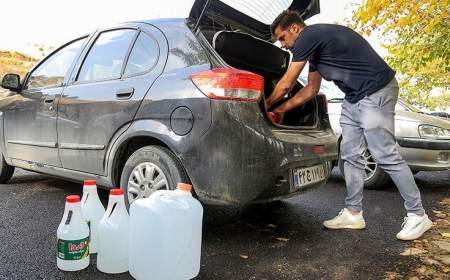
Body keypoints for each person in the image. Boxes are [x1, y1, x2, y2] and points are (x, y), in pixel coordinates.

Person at [267, 10, 432, 241]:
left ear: (294, 28)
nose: (282, 45)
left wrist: (265, 105)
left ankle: (418, 215)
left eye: (282, 37)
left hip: (376, 90)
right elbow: (311, 90)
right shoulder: (314, 51)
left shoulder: (309, 36)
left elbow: (286, 84)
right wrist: (280, 110)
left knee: (384, 153)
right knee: (349, 154)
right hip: (354, 97)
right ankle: (354, 213)